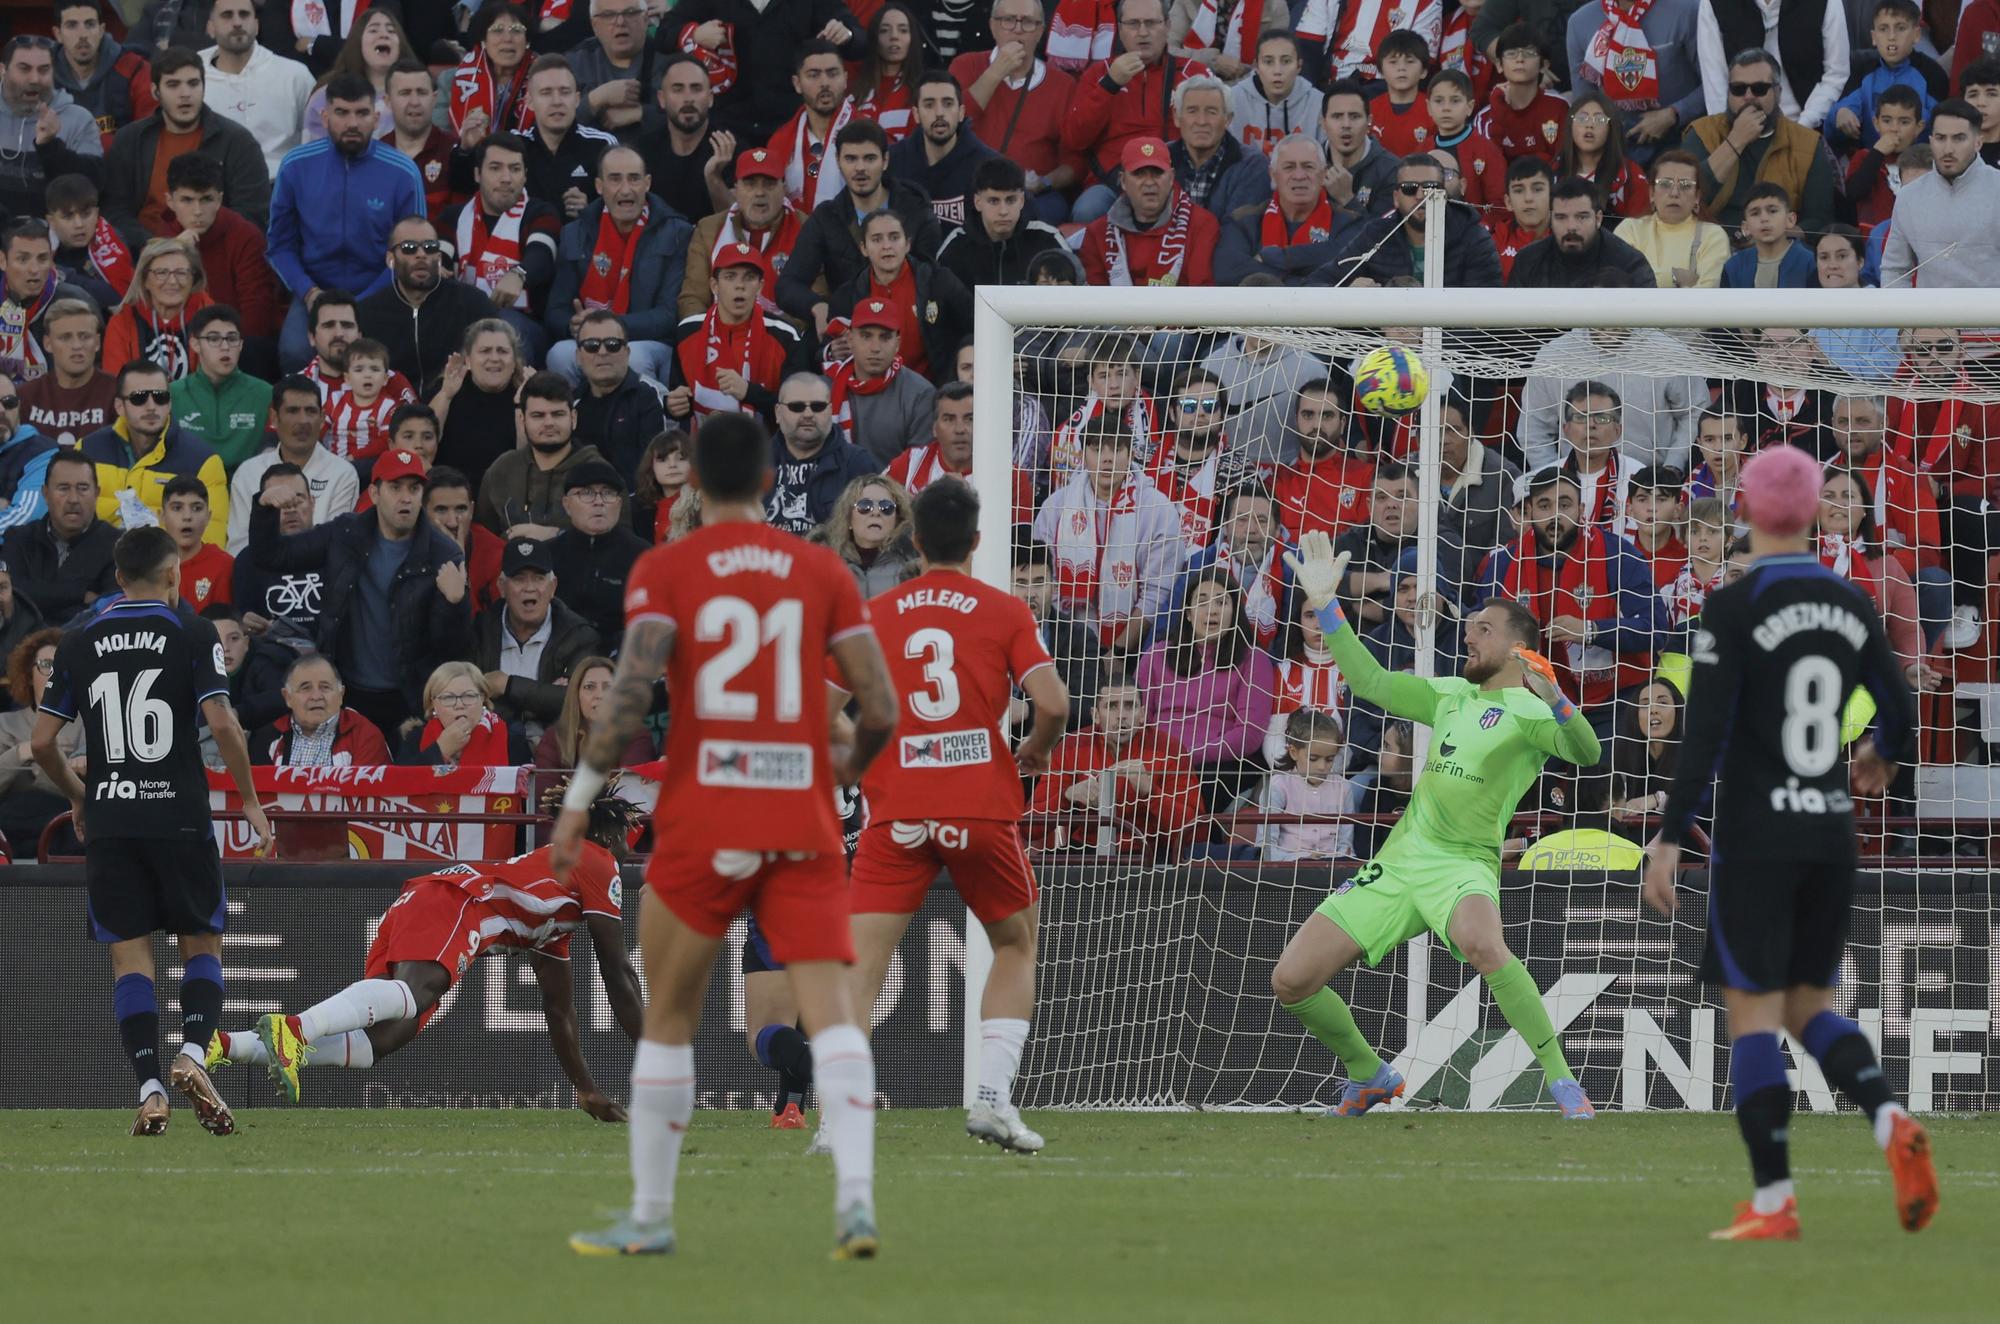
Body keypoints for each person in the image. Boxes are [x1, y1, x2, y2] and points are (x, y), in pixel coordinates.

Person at [555, 409, 897, 1259]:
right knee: (835, 1016)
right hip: (800, 818)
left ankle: (652, 1214)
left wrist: (579, 798)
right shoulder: (820, 570)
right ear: (769, 478)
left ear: (695, 483)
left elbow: (629, 693)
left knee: (669, 1015)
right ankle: (855, 1200)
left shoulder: (667, 567)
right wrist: (846, 773)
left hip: (704, 817)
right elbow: (880, 707)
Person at [1641, 444, 1937, 1240]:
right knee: (1809, 1005)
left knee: (1754, 1015)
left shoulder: (1731, 607)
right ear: (1813, 512)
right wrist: (1881, 752)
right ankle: (1888, 1119)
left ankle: (1773, 1201)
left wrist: (1670, 835)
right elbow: (1900, 703)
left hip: (1757, 832)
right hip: (1830, 832)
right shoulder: (1850, 600)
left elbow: (1702, 734)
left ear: (1743, 508)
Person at [1273, 531, 1600, 1118]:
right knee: (1291, 980)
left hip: (1462, 863)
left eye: (1482, 628)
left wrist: (1558, 701)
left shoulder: (1529, 711)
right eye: (1469, 625)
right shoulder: (1450, 695)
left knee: (1482, 943)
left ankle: (1562, 1079)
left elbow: (1587, 754)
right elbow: (1372, 683)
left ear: (1521, 649)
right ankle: (1367, 1073)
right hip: (1401, 860)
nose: (1467, 634)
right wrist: (1327, 606)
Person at [834, 478, 1067, 1150]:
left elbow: (820, 713)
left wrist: (868, 761)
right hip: (979, 805)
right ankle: (992, 1099)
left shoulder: (874, 616)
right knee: (1016, 944)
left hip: (897, 809)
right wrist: (1035, 752)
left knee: (862, 967)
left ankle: (839, 1115)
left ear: (912, 540)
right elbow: (1051, 702)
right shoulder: (1003, 610)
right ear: (976, 541)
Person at [30, 524, 271, 1135]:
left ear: (116, 577)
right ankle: (192, 1055)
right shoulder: (192, 631)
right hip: (180, 816)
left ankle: (150, 1090)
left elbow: (40, 743)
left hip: (112, 821)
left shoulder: (79, 638)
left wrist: (81, 796)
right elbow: (223, 727)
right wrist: (248, 799)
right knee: (201, 943)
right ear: (174, 575)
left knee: (130, 960)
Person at [216, 778, 643, 1118]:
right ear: (609, 832)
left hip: (428, 899)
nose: (629, 848)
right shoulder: (596, 861)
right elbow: (617, 971)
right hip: (454, 901)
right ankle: (295, 1028)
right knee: (415, 995)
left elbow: (559, 1010)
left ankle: (224, 1045)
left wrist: (585, 1089)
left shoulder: (556, 911)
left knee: (382, 1040)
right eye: (628, 835)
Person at [245, 447, 471, 737]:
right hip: (347, 692)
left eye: (414, 489)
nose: (406, 498)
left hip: (411, 699)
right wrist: (265, 509)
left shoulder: (444, 553)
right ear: (374, 494)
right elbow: (271, 557)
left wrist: (455, 604)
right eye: (395, 487)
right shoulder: (345, 534)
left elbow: (454, 651)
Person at [268, 72, 426, 371]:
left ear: (377, 117)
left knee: (386, 358)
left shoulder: (403, 172)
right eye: (342, 113)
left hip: (381, 291)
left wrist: (366, 300)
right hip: (314, 291)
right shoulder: (295, 166)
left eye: (362, 113)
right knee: (294, 352)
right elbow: (279, 246)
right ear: (325, 117)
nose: (352, 123)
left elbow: (411, 252)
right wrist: (309, 292)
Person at [775, 118, 943, 336]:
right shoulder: (826, 217)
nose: (860, 168)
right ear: (838, 161)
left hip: (911, 329)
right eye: (851, 158)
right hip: (850, 334)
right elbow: (787, 285)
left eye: (869, 158)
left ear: (885, 160)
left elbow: (933, 282)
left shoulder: (917, 211)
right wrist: (817, 306)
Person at [1032, 412, 1184, 653]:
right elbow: (1043, 582)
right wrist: (1071, 647)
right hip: (1064, 644)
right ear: (1082, 456)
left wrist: (1118, 653)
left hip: (1134, 648)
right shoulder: (1055, 507)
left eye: (1116, 449)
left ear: (1131, 455)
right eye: (1096, 449)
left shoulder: (1158, 509)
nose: (1107, 459)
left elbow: (1158, 592)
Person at [544, 144, 693, 385]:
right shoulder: (574, 233)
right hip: (590, 338)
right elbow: (555, 311)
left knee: (634, 359)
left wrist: (610, 327)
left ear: (647, 183)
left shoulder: (678, 233)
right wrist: (572, 325)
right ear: (599, 186)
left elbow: (669, 315)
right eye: (615, 179)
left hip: (648, 342)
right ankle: (574, 421)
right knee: (560, 355)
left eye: (634, 179)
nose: (626, 190)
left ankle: (650, 421)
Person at [1024, 666, 1203, 855]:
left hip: (1150, 855)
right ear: (1095, 715)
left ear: (1142, 714)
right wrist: (1066, 797)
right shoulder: (1071, 746)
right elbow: (1028, 828)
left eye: (1130, 706)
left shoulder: (1170, 749)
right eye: (1111, 706)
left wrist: (1152, 794)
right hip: (1087, 852)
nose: (1121, 715)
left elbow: (1198, 834)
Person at [100, 46, 269, 246]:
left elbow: (251, 216)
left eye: (193, 83)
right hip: (144, 253)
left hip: (213, 253)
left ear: (204, 88)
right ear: (155, 91)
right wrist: (158, 245)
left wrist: (195, 243)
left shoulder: (238, 142)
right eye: (173, 85)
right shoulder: (130, 139)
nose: (185, 94)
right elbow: (114, 210)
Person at [1063, 0, 1205, 223]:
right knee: (1087, 210)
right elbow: (1075, 139)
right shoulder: (1099, 73)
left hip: (1175, 179)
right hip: (1112, 181)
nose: (1142, 32)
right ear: (1120, 30)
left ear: (1168, 25)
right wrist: (1109, 86)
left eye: (1151, 23)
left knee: (1203, 211)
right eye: (1132, 24)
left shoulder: (1193, 73)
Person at [661, 0, 868, 142]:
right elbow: (664, 33)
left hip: (792, 126)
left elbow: (860, 42)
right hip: (728, 128)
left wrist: (846, 34)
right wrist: (695, 34)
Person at [949, 0, 1083, 221]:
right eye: (1008, 20)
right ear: (992, 26)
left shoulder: (1063, 85)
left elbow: (1074, 161)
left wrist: (1044, 182)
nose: (1018, 29)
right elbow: (953, 123)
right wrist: (996, 71)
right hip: (971, 188)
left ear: (1040, 31)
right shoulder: (965, 66)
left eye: (1028, 22)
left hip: (1031, 195)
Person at [1680, 47, 1837, 232]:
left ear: (1778, 92)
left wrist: (1773, 239)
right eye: (1738, 89)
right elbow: (1685, 197)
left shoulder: (1808, 144)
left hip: (1780, 249)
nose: (1748, 97)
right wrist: (1736, 141)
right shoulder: (1701, 132)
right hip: (1709, 246)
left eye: (1759, 89)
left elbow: (1820, 220)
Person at [441, 135, 563, 363]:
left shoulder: (541, 213)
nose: (506, 178)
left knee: (503, 327)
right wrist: (438, 267)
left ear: (525, 175)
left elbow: (542, 254)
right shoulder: (454, 217)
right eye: (495, 168)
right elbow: (440, 255)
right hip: (463, 319)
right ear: (478, 174)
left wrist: (519, 275)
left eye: (515, 169)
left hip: (524, 323)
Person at [472, 536, 602, 742]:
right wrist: (545, 696)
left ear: (553, 586)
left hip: (559, 749)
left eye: (539, 578)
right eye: (519, 578)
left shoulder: (580, 636)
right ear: (501, 587)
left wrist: (507, 686)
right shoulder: (480, 631)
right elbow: (470, 696)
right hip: (492, 746)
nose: (530, 588)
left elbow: (578, 700)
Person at [82, 359, 227, 540]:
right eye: (139, 398)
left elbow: (211, 541)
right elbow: (71, 514)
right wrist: (136, 514)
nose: (151, 406)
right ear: (119, 406)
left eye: (160, 397)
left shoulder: (204, 462)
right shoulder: (86, 450)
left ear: (170, 403)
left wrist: (113, 512)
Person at [358, 215, 500, 395]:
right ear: (390, 259)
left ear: (439, 257)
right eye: (409, 248)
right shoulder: (368, 312)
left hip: (459, 407)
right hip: (389, 413)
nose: (421, 254)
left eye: (429, 247)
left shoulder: (472, 302)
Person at [1317, 155, 1503, 287]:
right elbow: (1317, 282)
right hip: (1385, 342)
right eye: (1409, 188)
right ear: (1396, 198)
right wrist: (1348, 293)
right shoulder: (1375, 235)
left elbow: (1485, 315)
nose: (1421, 195)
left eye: (1431, 187)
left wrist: (1427, 340)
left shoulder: (1475, 238)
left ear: (1444, 194)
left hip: (1452, 341)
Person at [225, 375, 359, 551]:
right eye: (293, 411)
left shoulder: (342, 474)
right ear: (274, 417)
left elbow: (336, 545)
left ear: (322, 418)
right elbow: (238, 548)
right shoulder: (248, 473)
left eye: (310, 411)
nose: (303, 421)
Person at [1879, 98, 2000, 288]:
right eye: (1940, 138)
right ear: (1931, 140)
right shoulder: (1909, 196)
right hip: (1929, 316)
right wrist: (1906, 316)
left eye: (1959, 138)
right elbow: (1894, 270)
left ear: (1978, 142)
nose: (1948, 149)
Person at [678, 145, 807, 320]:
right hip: (718, 338)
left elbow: (815, 297)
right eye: (750, 184)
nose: (760, 192)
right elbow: (693, 298)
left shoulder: (806, 227)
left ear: (783, 188)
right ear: (736, 188)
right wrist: (704, 337)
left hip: (785, 340)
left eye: (769, 184)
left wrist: (779, 335)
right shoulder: (708, 229)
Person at [1564, 0, 1706, 158]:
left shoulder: (1686, 10)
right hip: (1617, 144)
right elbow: (1583, 102)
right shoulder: (1580, 22)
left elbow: (1714, 84)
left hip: (1682, 137)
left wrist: (1674, 113)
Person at [162, 153, 276, 348]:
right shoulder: (163, 238)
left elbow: (256, 316)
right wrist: (175, 253)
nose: (197, 211)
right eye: (187, 200)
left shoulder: (246, 237)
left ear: (219, 200)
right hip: (179, 343)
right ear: (170, 201)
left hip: (236, 345)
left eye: (206, 199)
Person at [477, 372, 609, 539]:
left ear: (573, 418)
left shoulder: (599, 472)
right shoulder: (502, 470)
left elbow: (618, 542)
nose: (549, 423)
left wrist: (557, 536)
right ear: (522, 419)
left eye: (557, 414)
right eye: (538, 415)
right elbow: (482, 538)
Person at [1079, 135, 1221, 286]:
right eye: (1139, 174)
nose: (1149, 182)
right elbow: (1095, 301)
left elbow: (1201, 295)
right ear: (1123, 181)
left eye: (1157, 173)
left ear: (1171, 177)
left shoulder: (1201, 225)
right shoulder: (1097, 234)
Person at [200, 0, 315, 181]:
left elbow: (317, 146)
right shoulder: (191, 76)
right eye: (227, 15)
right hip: (212, 191)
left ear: (257, 25)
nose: (237, 22)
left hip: (281, 188)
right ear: (210, 27)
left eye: (244, 15)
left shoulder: (294, 75)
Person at [1696, 0, 1850, 132]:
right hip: (1740, 131)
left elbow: (1836, 72)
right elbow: (1715, 80)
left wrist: (1805, 124)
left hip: (1811, 126)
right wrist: (1732, 134)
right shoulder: (1713, 4)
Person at [0, 34, 104, 221]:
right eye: (24, 69)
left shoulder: (79, 119)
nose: (35, 79)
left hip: (55, 236)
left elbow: (92, 188)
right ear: (3, 71)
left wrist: (51, 147)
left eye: (44, 70)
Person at [3, 450, 118, 621]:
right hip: (21, 645)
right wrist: (80, 594)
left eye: (83, 488)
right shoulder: (18, 538)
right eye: (63, 488)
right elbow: (13, 594)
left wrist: (41, 596)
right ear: (46, 494)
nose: (73, 499)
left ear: (97, 493)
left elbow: (108, 608)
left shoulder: (117, 545)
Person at [548, 458, 649, 648]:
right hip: (558, 657)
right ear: (567, 504)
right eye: (586, 493)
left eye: (608, 493)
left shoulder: (644, 557)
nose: (599, 502)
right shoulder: (548, 555)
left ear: (619, 503)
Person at [766, 371, 881, 536]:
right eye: (796, 407)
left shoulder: (857, 464)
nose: (808, 414)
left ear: (830, 411)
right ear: (778, 413)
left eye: (818, 406)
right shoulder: (753, 464)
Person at [826, 297, 934, 464]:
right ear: (850, 340)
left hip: (894, 489)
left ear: (897, 343)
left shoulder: (920, 394)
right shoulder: (824, 390)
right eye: (866, 336)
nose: (875, 348)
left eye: (884, 337)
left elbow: (918, 470)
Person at [886, 70, 997, 230]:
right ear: (916, 114)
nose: (939, 113)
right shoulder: (892, 162)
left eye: (948, 104)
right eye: (929, 105)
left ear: (961, 113)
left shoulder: (989, 166)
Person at [513, 55, 620, 219]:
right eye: (546, 93)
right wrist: (466, 149)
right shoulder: (515, 146)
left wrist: (591, 209)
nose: (557, 101)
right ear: (529, 102)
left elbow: (623, 206)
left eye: (564, 92)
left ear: (577, 99)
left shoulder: (603, 145)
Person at [633, 53, 734, 225]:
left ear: (710, 98)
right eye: (678, 89)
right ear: (662, 99)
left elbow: (738, 224)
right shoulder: (642, 153)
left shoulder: (730, 148)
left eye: (696, 88)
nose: (688, 98)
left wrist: (714, 178)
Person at [1506, 176, 1659, 288]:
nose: (1571, 226)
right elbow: (1510, 326)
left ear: (1598, 219)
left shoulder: (1629, 263)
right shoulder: (1528, 261)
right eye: (1561, 217)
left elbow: (1647, 326)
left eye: (1581, 217)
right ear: (1550, 219)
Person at [433, 319, 528, 496]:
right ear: (468, 360)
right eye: (485, 351)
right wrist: (445, 395)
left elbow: (527, 459)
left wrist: (524, 405)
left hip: (505, 495)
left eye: (502, 351)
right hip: (449, 493)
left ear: (514, 361)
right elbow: (424, 440)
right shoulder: (446, 388)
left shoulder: (526, 394)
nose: (494, 358)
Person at [248, 652, 391, 767]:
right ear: (287, 697)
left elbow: (366, 799)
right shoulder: (265, 740)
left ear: (341, 694)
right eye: (305, 688)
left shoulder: (365, 735)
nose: (316, 696)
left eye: (325, 687)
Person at [570, 311, 665, 479]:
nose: (602, 352)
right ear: (578, 356)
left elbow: (654, 472)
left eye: (612, 344)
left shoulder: (649, 396)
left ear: (627, 352)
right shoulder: (570, 403)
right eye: (592, 345)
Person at [1616, 149, 1731, 287]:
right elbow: (1618, 286)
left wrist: (1648, 279)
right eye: (1665, 184)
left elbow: (1707, 296)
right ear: (1652, 193)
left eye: (1685, 185)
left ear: (1697, 197)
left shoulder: (1713, 235)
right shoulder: (1630, 229)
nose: (1675, 193)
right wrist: (1677, 277)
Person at [54, 1, 158, 151]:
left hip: (120, 166)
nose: (83, 35)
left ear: (102, 30)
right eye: (72, 25)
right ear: (58, 34)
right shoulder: (41, 72)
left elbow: (149, 136)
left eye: (90, 24)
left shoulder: (134, 69)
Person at [1166, 73, 1271, 220]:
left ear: (1227, 119)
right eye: (1192, 111)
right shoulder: (1160, 160)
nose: (1201, 121)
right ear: (1177, 117)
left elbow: (1239, 232)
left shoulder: (1253, 166)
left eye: (1212, 112)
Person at [0, 220, 93, 381]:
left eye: (42, 259)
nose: (34, 269)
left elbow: (96, 369)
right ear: (2, 261)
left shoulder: (76, 302)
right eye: (23, 260)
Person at [1259, 707, 1355, 862]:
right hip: (1286, 869)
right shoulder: (1278, 785)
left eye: (1330, 759)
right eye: (1313, 758)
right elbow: (1266, 848)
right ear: (1293, 752)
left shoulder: (1344, 788)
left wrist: (1334, 858)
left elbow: (1346, 844)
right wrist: (1303, 858)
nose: (1322, 767)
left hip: (1332, 869)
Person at [17, 298, 116, 446]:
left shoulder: (117, 392)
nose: (76, 345)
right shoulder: (25, 397)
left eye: (85, 336)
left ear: (97, 342)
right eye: (65, 337)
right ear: (48, 344)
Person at [394, 659, 532, 766]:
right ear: (433, 704)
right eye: (448, 698)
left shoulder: (512, 739)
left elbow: (523, 796)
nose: (459, 705)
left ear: (483, 698)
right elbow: (397, 787)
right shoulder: (414, 738)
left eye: (469, 696)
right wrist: (440, 750)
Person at [536, 654, 656, 769]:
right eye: (589, 687)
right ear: (576, 695)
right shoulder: (554, 738)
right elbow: (546, 788)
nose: (600, 695)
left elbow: (630, 786)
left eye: (608, 687)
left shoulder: (636, 734)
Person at [1472, 24, 1570, 163]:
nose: (1519, 59)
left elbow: (1564, 162)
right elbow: (1488, 166)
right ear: (1499, 65)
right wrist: (1498, 110)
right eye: (1511, 54)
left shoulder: (1559, 107)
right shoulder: (1484, 117)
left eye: (1529, 53)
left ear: (1544, 65)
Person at [382, 60, 461, 221]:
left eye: (422, 92)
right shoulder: (374, 155)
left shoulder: (455, 153)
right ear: (388, 101)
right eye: (405, 93)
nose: (415, 102)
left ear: (434, 98)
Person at [818, 473, 919, 596]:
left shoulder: (913, 565)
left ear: (897, 519)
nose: (876, 512)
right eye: (865, 506)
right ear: (849, 518)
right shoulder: (825, 564)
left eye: (886, 507)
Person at [571, 0, 662, 136]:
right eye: (608, 15)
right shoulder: (576, 62)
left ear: (645, 19)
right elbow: (555, 122)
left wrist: (642, 113)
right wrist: (595, 100)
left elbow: (689, 115)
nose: (620, 22)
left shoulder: (668, 61)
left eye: (630, 13)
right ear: (594, 25)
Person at [1227, 32, 1324, 159]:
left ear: (1299, 66)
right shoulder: (1232, 99)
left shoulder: (1319, 103)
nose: (1277, 71)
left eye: (1286, 61)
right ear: (1256, 66)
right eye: (1268, 62)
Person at [423, 463, 504, 613]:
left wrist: (458, 561)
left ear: (472, 510)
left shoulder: (497, 553)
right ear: (423, 513)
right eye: (441, 510)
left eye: (461, 509)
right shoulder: (408, 549)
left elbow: (492, 626)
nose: (452, 522)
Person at [448, 4, 536, 141]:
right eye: (497, 30)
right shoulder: (456, 78)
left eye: (517, 30)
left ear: (527, 41)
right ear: (483, 40)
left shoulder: (543, 76)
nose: (507, 38)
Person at [159, 472, 231, 611]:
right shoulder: (148, 565)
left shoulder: (223, 565)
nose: (187, 516)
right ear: (162, 516)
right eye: (177, 508)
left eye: (197, 508)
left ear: (208, 517)